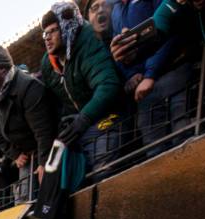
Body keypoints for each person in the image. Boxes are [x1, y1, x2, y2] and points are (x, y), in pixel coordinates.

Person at [40, 1, 122, 171]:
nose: (47, 37)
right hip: (81, 125)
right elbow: (56, 105)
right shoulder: (48, 64)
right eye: (44, 33)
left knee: (102, 171)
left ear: (67, 27)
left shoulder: (87, 40)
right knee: (59, 173)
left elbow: (107, 85)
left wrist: (83, 119)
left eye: (53, 31)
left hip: (107, 116)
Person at [0, 45, 56, 193]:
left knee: (47, 194)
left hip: (45, 150)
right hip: (24, 154)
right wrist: (15, 155)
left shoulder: (28, 87)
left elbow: (44, 130)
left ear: (2, 69)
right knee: (24, 199)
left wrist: (44, 163)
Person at [110, 0, 192, 157]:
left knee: (184, 138)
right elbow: (122, 50)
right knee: (154, 150)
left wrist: (150, 74)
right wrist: (131, 72)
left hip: (174, 71)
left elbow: (173, 31)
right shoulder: (115, 11)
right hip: (145, 89)